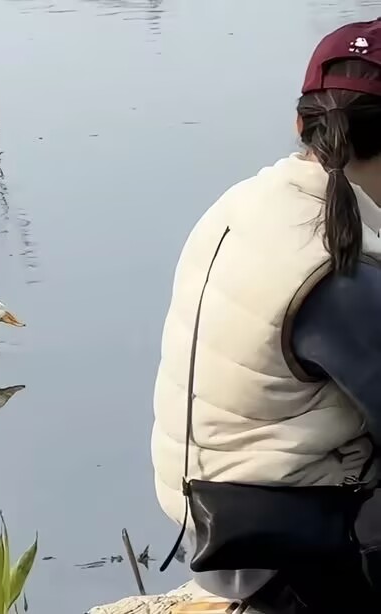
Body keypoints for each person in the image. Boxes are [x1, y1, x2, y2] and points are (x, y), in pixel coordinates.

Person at [151, 18, 381, 614]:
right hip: (285, 545)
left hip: (211, 512)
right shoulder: (340, 269)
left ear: (301, 124)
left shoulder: (245, 202)